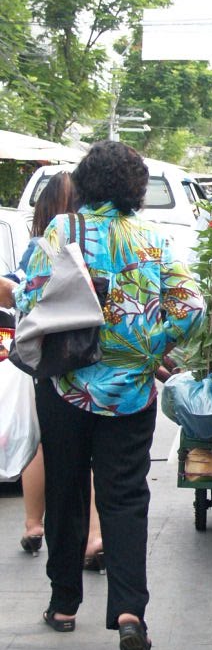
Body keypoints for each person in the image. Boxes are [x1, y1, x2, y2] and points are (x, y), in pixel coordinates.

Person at [3, 141, 205, 650]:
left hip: (66, 386)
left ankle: (64, 605)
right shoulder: (154, 239)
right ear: (137, 189)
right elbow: (189, 305)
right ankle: (129, 611)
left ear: (84, 183)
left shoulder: (62, 231)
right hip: (132, 390)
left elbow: (28, 297)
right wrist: (147, 348)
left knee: (67, 492)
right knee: (125, 497)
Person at [15, 171, 104, 569]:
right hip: (95, 362)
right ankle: (96, 536)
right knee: (94, 457)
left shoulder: (40, 243)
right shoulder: (98, 239)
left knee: (44, 444)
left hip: (48, 362)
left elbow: (24, 295)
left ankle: (34, 524)